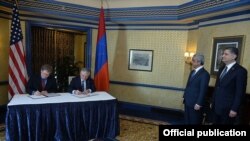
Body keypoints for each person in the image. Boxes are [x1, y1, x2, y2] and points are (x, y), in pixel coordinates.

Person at [211, 47, 247, 124]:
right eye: (223, 54)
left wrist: (234, 109)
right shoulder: (221, 69)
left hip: (228, 109)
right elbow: (217, 86)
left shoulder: (240, 71)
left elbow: (240, 93)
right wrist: (212, 102)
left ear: (234, 56)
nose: (223, 56)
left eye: (226, 54)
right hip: (216, 106)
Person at [183, 54, 210, 124]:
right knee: (187, 121)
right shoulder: (192, 72)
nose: (191, 62)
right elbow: (188, 86)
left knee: (194, 122)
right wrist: (185, 97)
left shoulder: (205, 74)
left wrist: (199, 103)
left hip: (195, 104)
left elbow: (203, 90)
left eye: (193, 60)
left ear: (199, 62)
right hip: (188, 101)